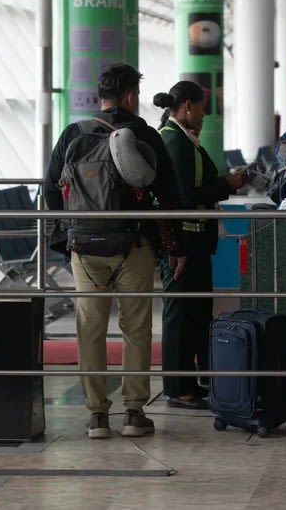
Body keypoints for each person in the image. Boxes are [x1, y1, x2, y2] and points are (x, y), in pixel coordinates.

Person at [44, 64, 184, 440]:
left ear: (100, 96)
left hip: (83, 248)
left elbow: (51, 191)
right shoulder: (143, 134)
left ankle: (97, 417)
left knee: (90, 329)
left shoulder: (74, 133)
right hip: (132, 246)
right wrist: (175, 246)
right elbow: (170, 196)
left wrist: (67, 236)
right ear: (130, 96)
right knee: (135, 327)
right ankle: (134, 413)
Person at [155, 81, 247, 410]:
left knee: (196, 312)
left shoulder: (184, 139)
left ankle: (191, 382)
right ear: (188, 107)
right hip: (183, 241)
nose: (206, 115)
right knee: (180, 313)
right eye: (203, 108)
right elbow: (182, 198)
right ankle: (177, 387)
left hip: (195, 238)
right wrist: (227, 184)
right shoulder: (175, 141)